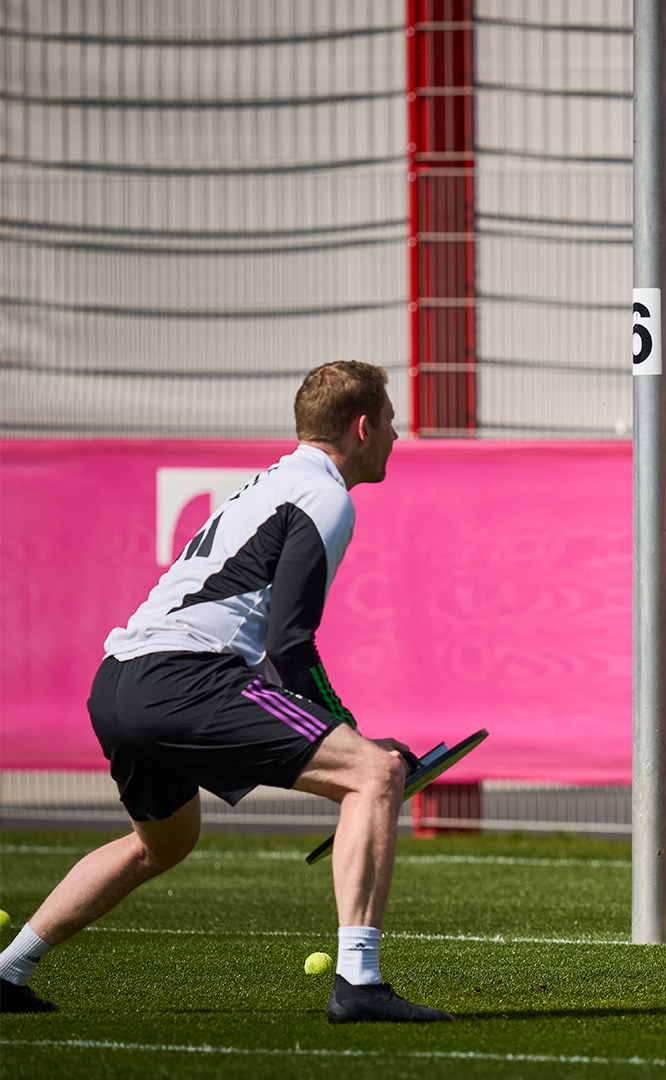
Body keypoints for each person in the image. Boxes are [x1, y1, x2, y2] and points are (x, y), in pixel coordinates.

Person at [0, 361, 453, 1022]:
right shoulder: (325, 497)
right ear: (362, 427)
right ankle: (359, 984)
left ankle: (8, 971)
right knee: (375, 773)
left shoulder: (270, 483)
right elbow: (289, 646)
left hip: (119, 680)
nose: (395, 435)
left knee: (163, 843)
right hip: (184, 678)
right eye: (389, 421)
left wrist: (345, 735)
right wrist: (356, 739)